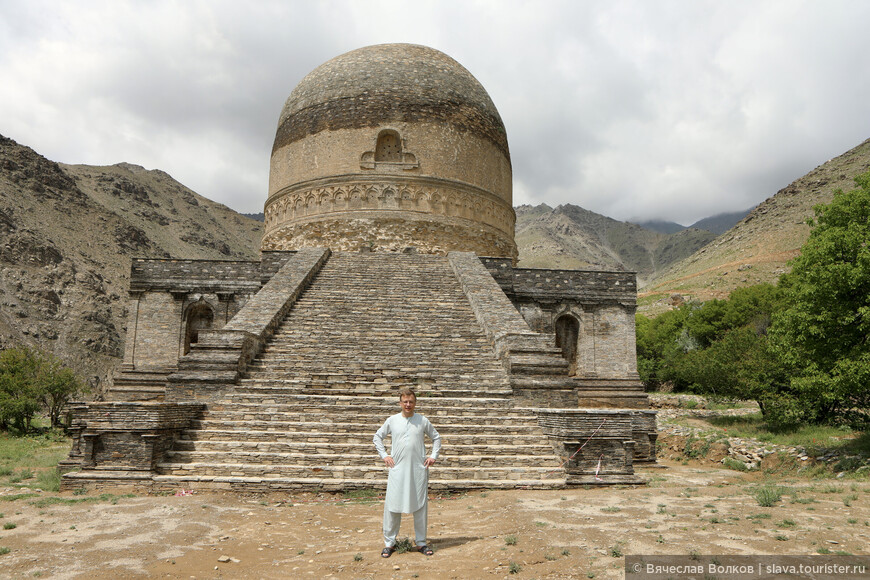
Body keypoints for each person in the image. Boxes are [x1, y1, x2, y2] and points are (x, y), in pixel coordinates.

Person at [373, 387, 441, 558]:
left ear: (415, 403)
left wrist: (433, 456)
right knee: (392, 506)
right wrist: (384, 455)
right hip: (397, 470)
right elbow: (377, 437)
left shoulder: (422, 421)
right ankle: (389, 543)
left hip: (418, 470)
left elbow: (436, 437)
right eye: (405, 401)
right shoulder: (392, 420)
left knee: (420, 505)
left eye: (411, 401)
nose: (408, 404)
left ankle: (421, 542)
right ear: (400, 402)